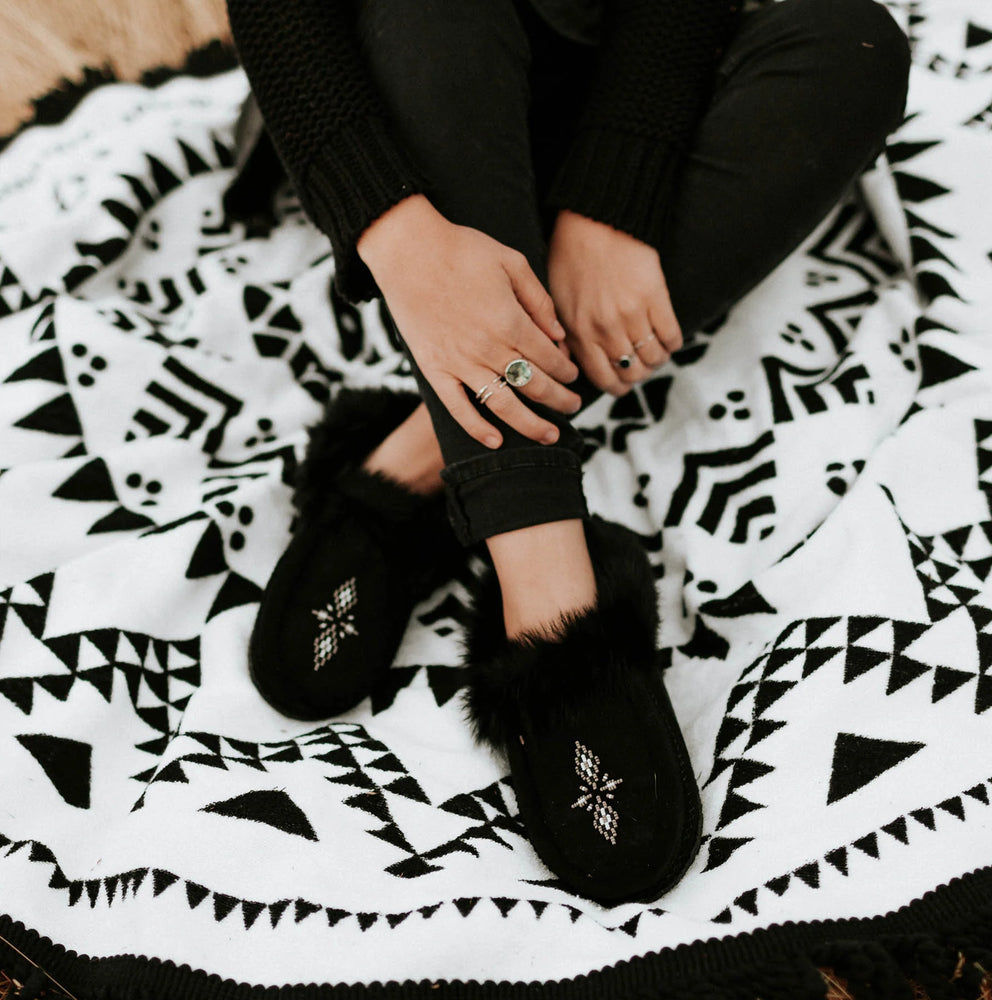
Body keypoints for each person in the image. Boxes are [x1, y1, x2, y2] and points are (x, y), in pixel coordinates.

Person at [225, 0, 911, 904]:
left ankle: (429, 453)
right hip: (409, 100)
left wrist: (611, 197)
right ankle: (546, 588)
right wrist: (399, 238)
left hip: (611, 73)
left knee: (853, 46)